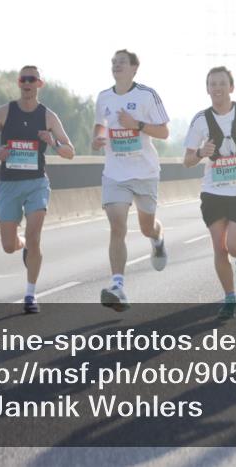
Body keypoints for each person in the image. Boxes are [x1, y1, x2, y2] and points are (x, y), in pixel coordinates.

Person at [0, 65, 75, 314]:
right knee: (7, 245)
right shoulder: (4, 112)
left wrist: (52, 141)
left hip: (36, 183)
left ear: (39, 84)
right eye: (23, 79)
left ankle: (30, 295)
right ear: (18, 82)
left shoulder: (48, 116)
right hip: (9, 184)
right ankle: (21, 244)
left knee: (36, 238)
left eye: (31, 79)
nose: (27, 83)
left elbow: (70, 152)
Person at [183, 66, 236, 319]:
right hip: (213, 192)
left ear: (231, 87)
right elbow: (187, 160)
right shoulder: (200, 120)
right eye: (212, 84)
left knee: (233, 246)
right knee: (219, 248)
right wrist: (201, 153)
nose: (217, 88)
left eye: (222, 83)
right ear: (207, 89)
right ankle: (229, 298)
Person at [93, 49, 170, 311]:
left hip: (145, 172)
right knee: (117, 226)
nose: (116, 66)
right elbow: (100, 124)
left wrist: (136, 124)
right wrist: (99, 137)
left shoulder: (147, 95)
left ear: (135, 68)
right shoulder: (104, 97)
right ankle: (118, 286)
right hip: (115, 172)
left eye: (122, 63)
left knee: (146, 226)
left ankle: (157, 239)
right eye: (113, 62)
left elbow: (164, 131)